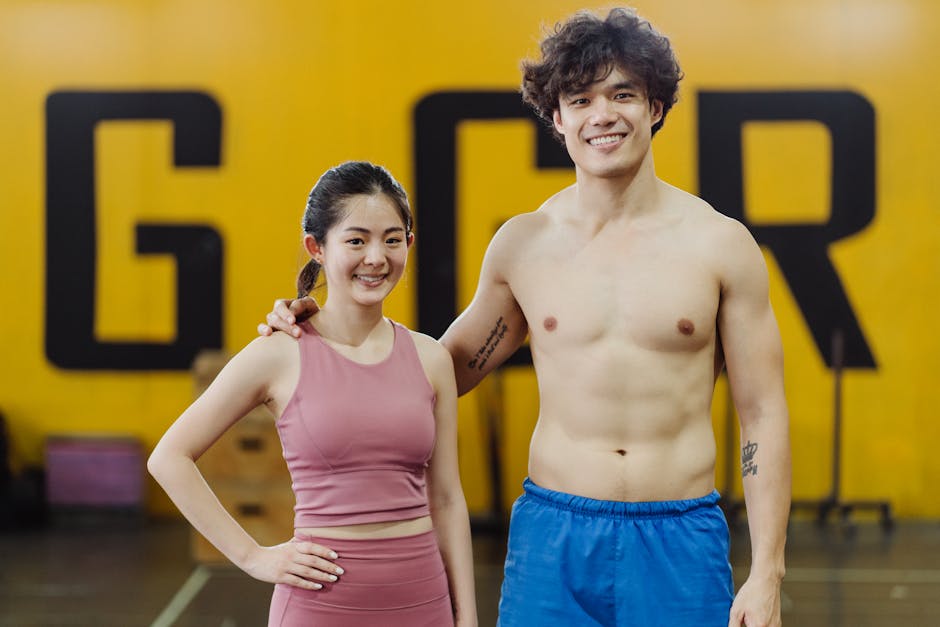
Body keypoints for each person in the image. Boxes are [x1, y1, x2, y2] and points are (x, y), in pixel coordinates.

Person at [261, 8, 791, 627]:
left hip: (679, 536)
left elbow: (762, 412)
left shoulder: (720, 246)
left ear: (655, 107)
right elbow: (439, 371)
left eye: (623, 94)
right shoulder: (525, 246)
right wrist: (318, 333)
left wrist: (767, 572)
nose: (603, 115)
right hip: (553, 539)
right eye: (581, 98)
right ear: (557, 117)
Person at [150, 161, 477, 627]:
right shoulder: (279, 352)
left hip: (422, 601)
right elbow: (169, 457)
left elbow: (445, 499)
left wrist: (466, 617)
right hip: (320, 603)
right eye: (356, 239)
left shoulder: (431, 358)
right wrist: (252, 556)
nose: (376, 257)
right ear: (317, 248)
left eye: (392, 238)